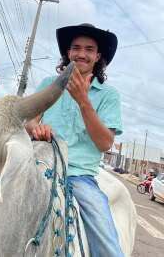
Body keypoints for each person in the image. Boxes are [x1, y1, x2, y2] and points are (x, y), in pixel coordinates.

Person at [26, 23, 123, 257]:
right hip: (35, 164)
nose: (81, 53)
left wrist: (83, 101)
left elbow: (104, 143)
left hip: (77, 175)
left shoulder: (109, 95)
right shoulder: (49, 83)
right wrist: (35, 127)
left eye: (89, 49)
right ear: (68, 53)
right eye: (76, 48)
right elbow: (29, 121)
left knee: (108, 246)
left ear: (98, 56)